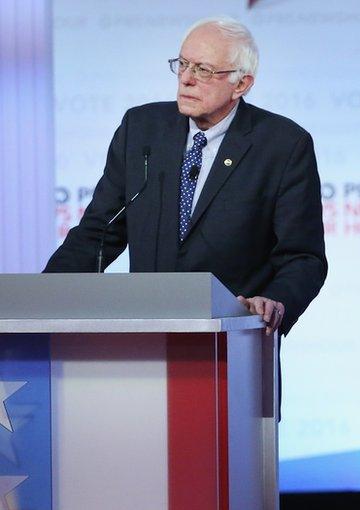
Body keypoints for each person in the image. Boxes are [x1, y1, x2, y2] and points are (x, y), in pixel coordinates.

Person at [45, 16, 327, 336]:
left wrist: (275, 301)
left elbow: (303, 257)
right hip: (145, 337)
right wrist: (41, 300)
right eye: (183, 64)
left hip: (234, 341)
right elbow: (98, 233)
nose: (186, 79)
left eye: (203, 70)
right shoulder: (141, 129)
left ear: (241, 84)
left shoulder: (283, 145)